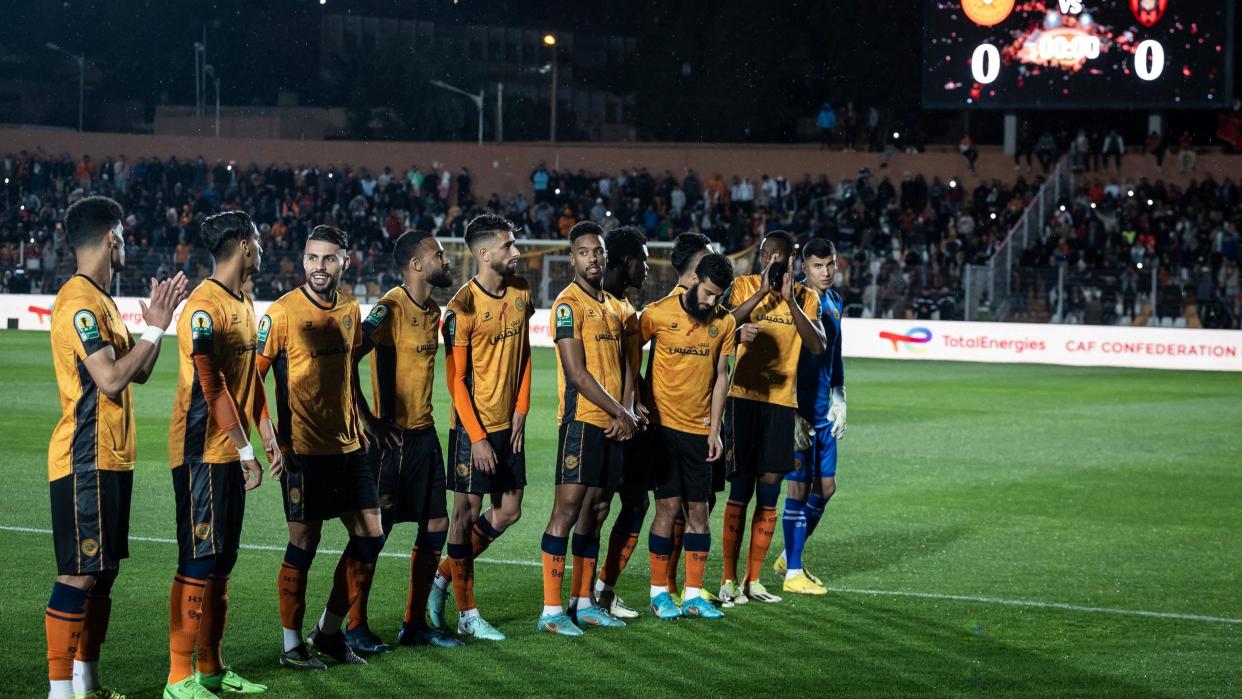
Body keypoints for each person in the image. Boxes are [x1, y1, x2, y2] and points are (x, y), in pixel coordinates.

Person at [45, 196, 188, 699]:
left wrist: (158, 323)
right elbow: (109, 380)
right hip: (84, 457)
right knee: (80, 574)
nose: (126, 243)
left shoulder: (103, 301)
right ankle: (59, 692)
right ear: (112, 238)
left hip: (110, 457)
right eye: (123, 235)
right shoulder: (80, 302)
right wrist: (153, 327)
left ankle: (86, 683)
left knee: (102, 574)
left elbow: (139, 371)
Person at [260, 225, 381, 671]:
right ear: (303, 260)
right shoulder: (282, 313)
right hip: (303, 451)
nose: (319, 267)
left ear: (345, 262)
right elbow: (253, 379)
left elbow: (349, 372)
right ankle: (292, 646)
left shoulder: (350, 307)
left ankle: (328, 632)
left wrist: (364, 421)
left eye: (329, 259)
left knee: (371, 536)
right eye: (313, 258)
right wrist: (272, 439)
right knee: (304, 544)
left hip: (349, 448)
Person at [164, 211, 273, 696]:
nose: (263, 248)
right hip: (201, 452)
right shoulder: (202, 307)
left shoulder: (244, 301)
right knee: (198, 559)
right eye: (259, 240)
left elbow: (249, 381)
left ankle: (210, 668)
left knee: (223, 561)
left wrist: (265, 431)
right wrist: (246, 447)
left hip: (230, 453)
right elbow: (212, 385)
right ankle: (177, 677)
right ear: (244, 246)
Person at [345, 229, 463, 653]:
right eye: (438, 254)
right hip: (390, 442)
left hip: (424, 436)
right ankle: (353, 625)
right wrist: (368, 421)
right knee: (376, 533)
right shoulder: (388, 309)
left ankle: (414, 625)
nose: (445, 259)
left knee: (436, 525)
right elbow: (348, 361)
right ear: (416, 265)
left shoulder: (433, 310)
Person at [428, 214, 533, 642]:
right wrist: (476, 437)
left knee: (509, 510)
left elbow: (525, 352)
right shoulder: (460, 309)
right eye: (509, 246)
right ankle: (468, 614)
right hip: (473, 431)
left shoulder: (522, 290)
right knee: (464, 515)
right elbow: (455, 379)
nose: (517, 252)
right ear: (485, 253)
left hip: (511, 426)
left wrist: (522, 410)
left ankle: (440, 580)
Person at [594, 232, 709, 618]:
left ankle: (602, 590)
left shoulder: (627, 308)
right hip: (603, 421)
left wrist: (637, 400)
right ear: (625, 262)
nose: (647, 267)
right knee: (595, 506)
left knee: (634, 504)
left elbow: (632, 366)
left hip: (635, 422)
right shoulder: (602, 305)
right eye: (642, 260)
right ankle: (584, 595)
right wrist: (627, 405)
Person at [538, 222, 640, 635]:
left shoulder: (616, 307)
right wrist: (622, 412)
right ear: (572, 258)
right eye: (583, 252)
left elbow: (628, 367)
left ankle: (583, 603)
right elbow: (577, 374)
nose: (592, 259)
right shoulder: (567, 305)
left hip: (614, 425)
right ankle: (550, 611)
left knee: (597, 512)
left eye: (597, 252)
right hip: (582, 422)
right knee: (565, 512)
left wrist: (627, 411)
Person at [719, 231, 826, 605]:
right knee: (741, 488)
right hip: (743, 399)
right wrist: (761, 295)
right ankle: (728, 580)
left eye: (782, 256)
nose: (775, 261)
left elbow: (816, 345)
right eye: (769, 255)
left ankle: (753, 580)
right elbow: (720, 328)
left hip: (782, 403)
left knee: (769, 491)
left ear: (793, 260)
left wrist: (787, 300)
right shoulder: (742, 286)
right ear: (760, 257)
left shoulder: (806, 297)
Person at [641, 254, 737, 620]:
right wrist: (639, 403)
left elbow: (721, 378)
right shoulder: (657, 314)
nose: (712, 302)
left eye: (719, 296)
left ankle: (694, 594)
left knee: (699, 511)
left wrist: (715, 430)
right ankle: (659, 593)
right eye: (709, 293)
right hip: (663, 431)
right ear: (695, 278)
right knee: (666, 508)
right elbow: (631, 355)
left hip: (700, 432)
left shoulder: (724, 322)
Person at [774, 239, 847, 596]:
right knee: (798, 490)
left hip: (823, 410)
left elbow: (836, 355)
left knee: (826, 488)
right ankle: (793, 573)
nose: (827, 272)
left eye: (831, 264)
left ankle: (790, 555)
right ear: (805, 269)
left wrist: (840, 395)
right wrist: (792, 408)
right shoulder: (798, 299)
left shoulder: (834, 301)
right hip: (799, 411)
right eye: (819, 266)